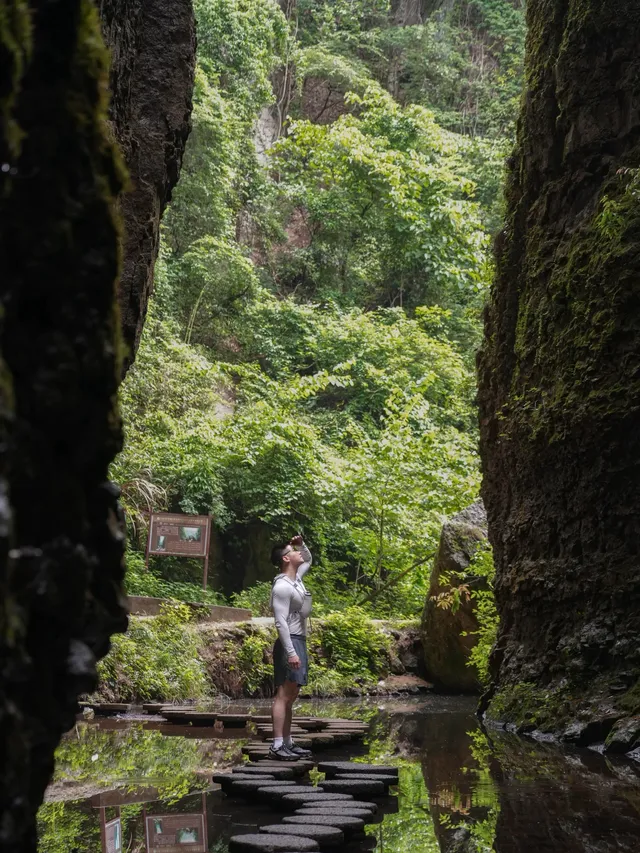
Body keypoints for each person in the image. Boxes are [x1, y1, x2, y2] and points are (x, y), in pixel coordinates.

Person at [269, 534, 314, 760]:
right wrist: (291, 652)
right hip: (290, 642)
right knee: (283, 695)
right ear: (286, 559)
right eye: (293, 551)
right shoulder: (282, 587)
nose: (298, 553)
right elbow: (280, 622)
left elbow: (308, 559)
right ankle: (277, 745)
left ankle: (288, 741)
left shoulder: (296, 578)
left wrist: (300, 543)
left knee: (292, 694)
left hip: (299, 640)